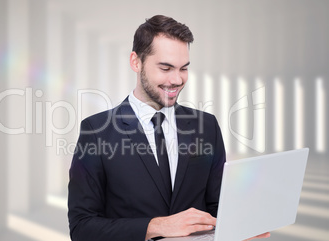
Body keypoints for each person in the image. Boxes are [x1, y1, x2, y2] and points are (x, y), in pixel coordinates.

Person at [68, 15, 270, 241]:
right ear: (136, 62)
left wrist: (237, 230)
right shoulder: (96, 131)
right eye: (165, 68)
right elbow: (82, 227)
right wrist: (154, 227)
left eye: (183, 68)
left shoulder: (206, 126)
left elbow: (217, 206)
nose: (176, 80)